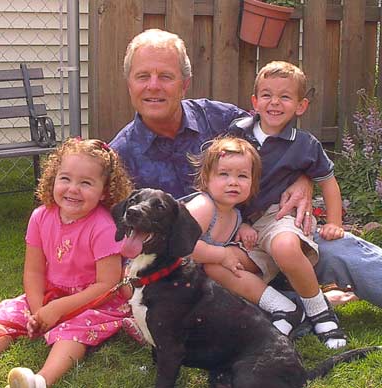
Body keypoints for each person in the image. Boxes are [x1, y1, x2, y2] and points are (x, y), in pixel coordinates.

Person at [109, 28, 382, 309]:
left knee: (332, 248)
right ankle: (306, 306)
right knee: (218, 306)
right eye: (143, 76)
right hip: (198, 267)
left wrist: (303, 178)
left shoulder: (220, 118)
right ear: (129, 83)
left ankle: (305, 302)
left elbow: (279, 136)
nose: (153, 86)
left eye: (165, 76)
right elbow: (115, 237)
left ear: (185, 83)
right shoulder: (119, 156)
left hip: (264, 233)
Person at [0, 138, 137, 388]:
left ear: (105, 191)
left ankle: (41, 380)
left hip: (92, 301)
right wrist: (36, 310)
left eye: (86, 183)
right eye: (65, 178)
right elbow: (33, 271)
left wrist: (58, 310)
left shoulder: (104, 227)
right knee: (9, 315)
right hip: (50, 294)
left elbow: (108, 285)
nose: (73, 189)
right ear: (53, 179)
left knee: (73, 331)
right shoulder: (40, 217)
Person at [229, 61, 347, 348]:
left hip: (278, 216)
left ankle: (319, 309)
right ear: (255, 102)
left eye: (285, 96)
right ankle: (284, 308)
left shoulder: (304, 145)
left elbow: (328, 182)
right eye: (267, 95)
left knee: (284, 246)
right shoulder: (237, 133)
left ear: (300, 106)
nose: (275, 102)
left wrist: (335, 222)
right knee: (221, 265)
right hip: (240, 220)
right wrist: (238, 222)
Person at [182, 136, 306, 338]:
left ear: (253, 183)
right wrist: (221, 255)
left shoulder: (234, 213)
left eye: (242, 176)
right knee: (216, 266)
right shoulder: (203, 206)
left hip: (202, 283)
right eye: (224, 174)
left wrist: (244, 226)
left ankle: (284, 309)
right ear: (206, 179)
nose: (233, 182)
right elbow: (184, 245)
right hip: (172, 277)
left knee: (218, 269)